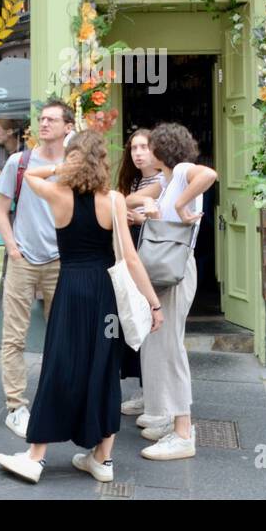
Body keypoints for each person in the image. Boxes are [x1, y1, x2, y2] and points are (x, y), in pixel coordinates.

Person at [0, 130, 164, 484]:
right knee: (104, 368)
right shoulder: (115, 199)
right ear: (103, 161)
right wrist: (153, 303)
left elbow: (30, 176)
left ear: (73, 159)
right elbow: (130, 259)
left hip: (70, 288)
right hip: (105, 293)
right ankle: (102, 460)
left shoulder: (56, 192)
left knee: (61, 364)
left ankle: (35, 457)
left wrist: (61, 165)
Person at [0, 99, 74, 437]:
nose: (44, 124)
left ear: (68, 127)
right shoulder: (19, 161)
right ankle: (16, 406)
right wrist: (12, 247)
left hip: (60, 260)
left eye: (52, 120)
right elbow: (1, 210)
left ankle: (55, 399)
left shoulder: (73, 165)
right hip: (23, 259)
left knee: (61, 336)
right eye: (41, 119)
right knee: (14, 337)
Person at [138, 122, 217, 460]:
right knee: (160, 345)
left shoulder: (183, 170)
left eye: (151, 145)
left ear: (162, 150)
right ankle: (169, 417)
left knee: (170, 348)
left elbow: (209, 175)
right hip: (169, 270)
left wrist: (183, 206)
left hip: (175, 271)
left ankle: (183, 433)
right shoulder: (169, 180)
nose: (146, 151)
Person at [115, 127, 164, 418]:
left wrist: (125, 210)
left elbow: (121, 203)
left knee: (149, 323)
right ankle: (146, 390)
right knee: (135, 320)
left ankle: (153, 395)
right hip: (134, 254)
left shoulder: (159, 181)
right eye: (133, 148)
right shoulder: (135, 181)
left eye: (144, 147)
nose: (138, 153)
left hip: (149, 259)